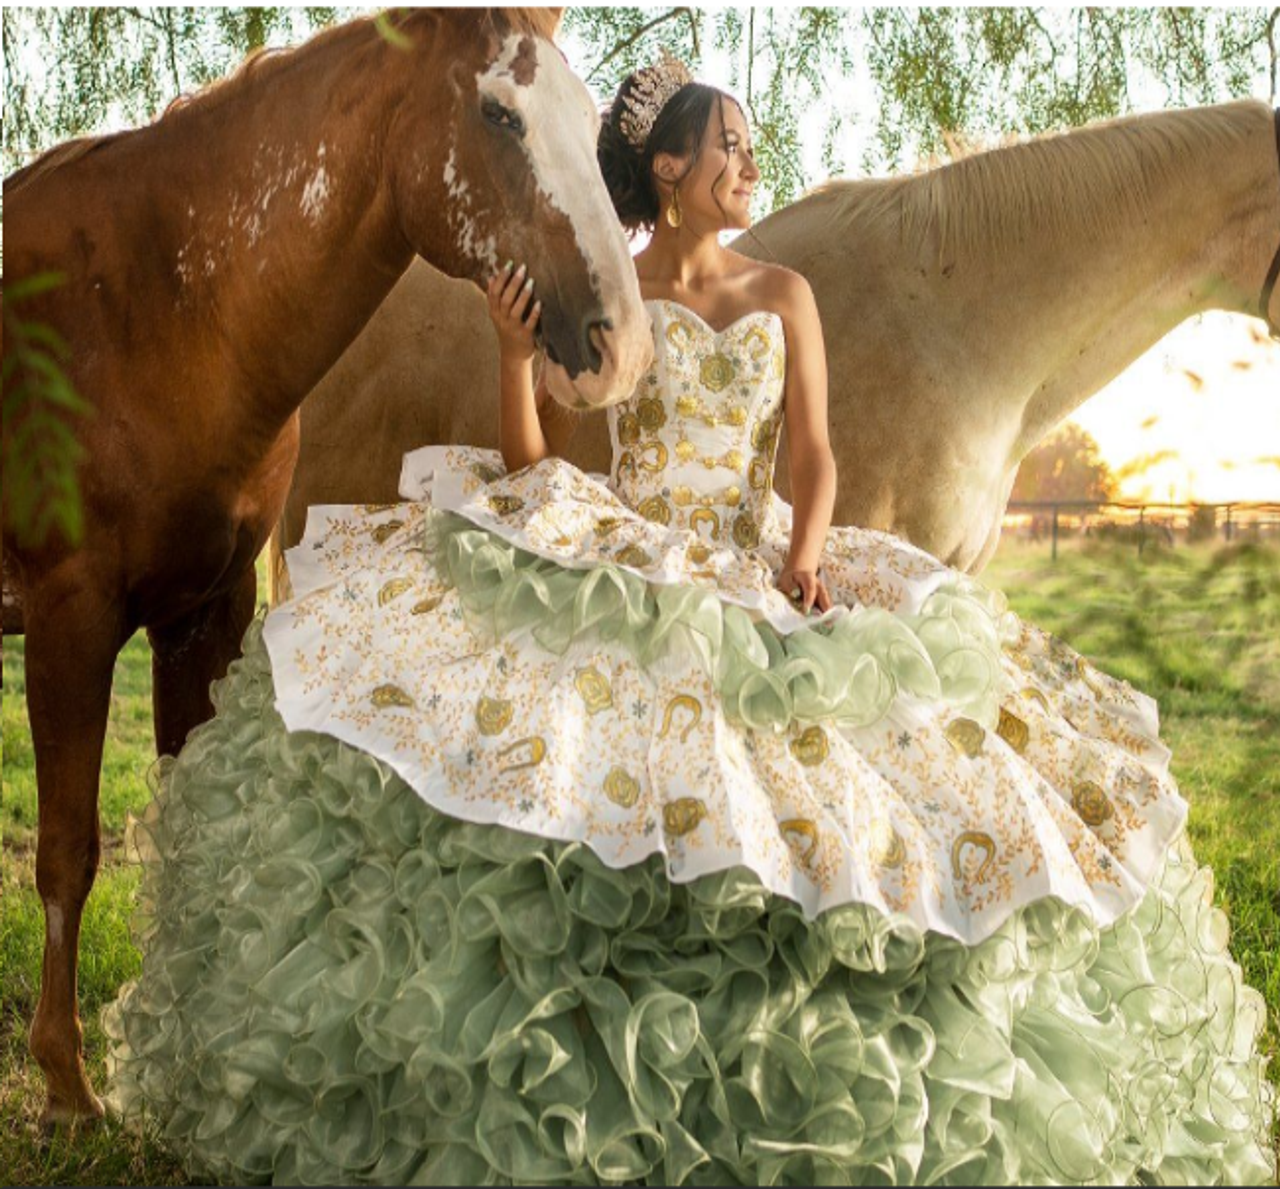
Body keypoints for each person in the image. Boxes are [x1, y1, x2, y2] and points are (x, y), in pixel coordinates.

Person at [104, 52, 1275, 1186]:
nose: (746, 166)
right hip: (632, 547)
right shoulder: (613, 290)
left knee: (828, 780)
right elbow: (531, 463)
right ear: (666, 168)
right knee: (590, 781)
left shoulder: (785, 294)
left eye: (750, 150)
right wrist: (516, 356)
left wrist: (802, 560)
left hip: (753, 556)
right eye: (727, 147)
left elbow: (812, 456)